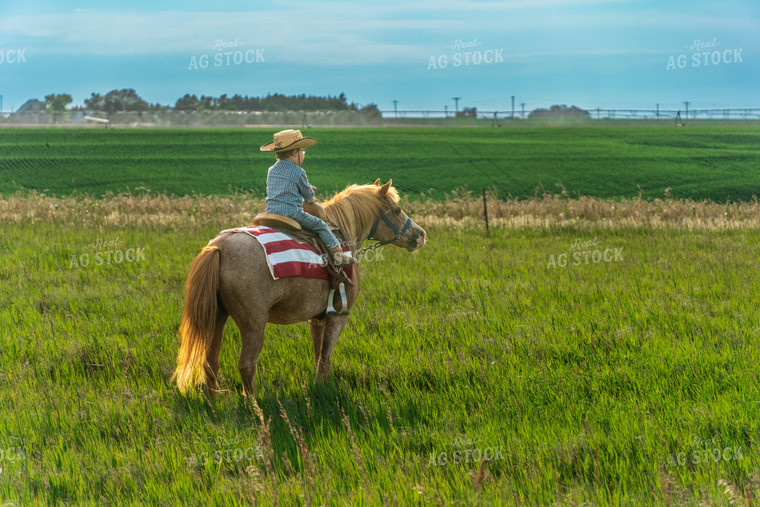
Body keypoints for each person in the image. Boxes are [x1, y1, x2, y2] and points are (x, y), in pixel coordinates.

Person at [260, 129, 354, 267]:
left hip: (271, 212)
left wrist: (306, 187)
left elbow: (283, 187)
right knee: (321, 226)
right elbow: (309, 198)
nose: (303, 154)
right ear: (294, 152)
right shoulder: (298, 171)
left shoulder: (271, 169)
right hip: (292, 214)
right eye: (302, 151)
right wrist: (310, 192)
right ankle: (338, 255)